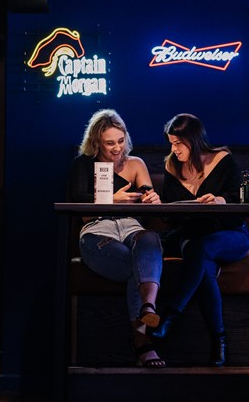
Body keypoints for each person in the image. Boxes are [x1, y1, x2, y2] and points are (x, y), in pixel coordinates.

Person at [66, 108, 166, 368]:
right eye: (110, 143)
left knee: (149, 238)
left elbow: (148, 195)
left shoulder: (135, 164)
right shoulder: (83, 163)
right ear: (97, 141)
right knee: (138, 268)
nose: (116, 148)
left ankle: (146, 312)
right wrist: (111, 198)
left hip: (130, 225)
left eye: (120, 141)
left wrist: (152, 199)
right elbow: (76, 200)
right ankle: (144, 337)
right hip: (98, 228)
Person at [149, 113, 249, 367]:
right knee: (201, 260)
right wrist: (161, 205)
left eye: (178, 144)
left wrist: (220, 200)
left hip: (231, 234)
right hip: (191, 237)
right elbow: (173, 219)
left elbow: (241, 200)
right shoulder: (172, 166)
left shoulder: (222, 160)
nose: (174, 149)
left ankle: (170, 316)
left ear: (193, 141)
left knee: (202, 247)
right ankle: (219, 341)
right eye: (171, 143)